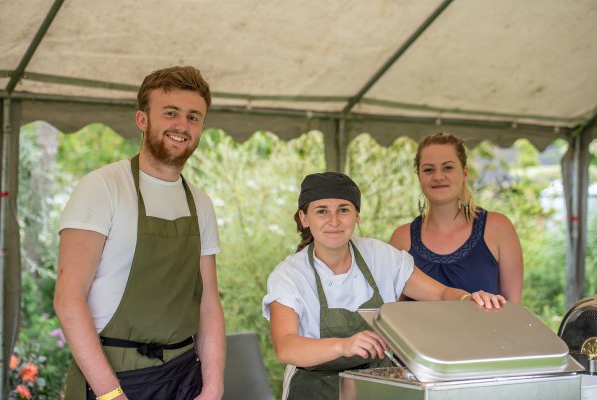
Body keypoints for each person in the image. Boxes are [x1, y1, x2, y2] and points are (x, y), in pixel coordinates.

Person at [53, 66, 225, 400]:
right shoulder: (102, 188)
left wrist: (214, 386)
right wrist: (110, 394)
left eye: (194, 117)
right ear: (142, 120)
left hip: (185, 377)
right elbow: (68, 300)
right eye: (171, 113)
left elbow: (208, 303)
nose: (182, 126)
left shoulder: (200, 203)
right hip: (115, 378)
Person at [262, 172, 505, 400]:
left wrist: (468, 300)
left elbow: (440, 292)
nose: (334, 221)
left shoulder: (380, 256)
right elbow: (286, 347)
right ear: (304, 218)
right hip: (314, 389)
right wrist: (344, 345)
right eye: (322, 211)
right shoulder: (289, 275)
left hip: (376, 384)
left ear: (357, 216)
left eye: (343, 210)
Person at [390, 132, 523, 303]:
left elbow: (513, 310)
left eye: (448, 167)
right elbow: (391, 312)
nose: (438, 176)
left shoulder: (498, 228)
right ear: (419, 177)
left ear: (465, 174)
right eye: (429, 169)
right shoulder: (401, 239)